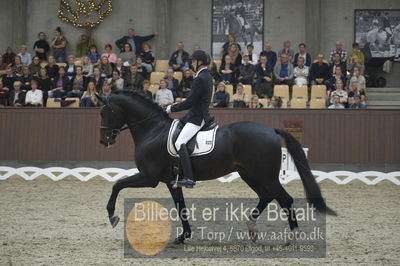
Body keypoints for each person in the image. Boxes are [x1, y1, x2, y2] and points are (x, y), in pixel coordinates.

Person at [166, 50, 213, 188]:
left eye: (193, 61)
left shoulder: (200, 78)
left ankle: (189, 178)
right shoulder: (206, 75)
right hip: (195, 114)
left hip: (197, 117)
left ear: (199, 62)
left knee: (180, 142)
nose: (191, 63)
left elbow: (191, 101)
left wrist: (171, 108)